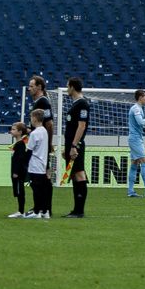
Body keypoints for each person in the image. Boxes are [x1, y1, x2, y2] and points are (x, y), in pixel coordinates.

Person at [61, 77, 91, 218]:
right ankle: (76, 209)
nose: (67, 88)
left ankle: (80, 211)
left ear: (72, 87)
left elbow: (82, 126)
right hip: (71, 145)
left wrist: (73, 145)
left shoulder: (82, 104)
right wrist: (66, 147)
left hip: (76, 145)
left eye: (68, 86)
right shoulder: (76, 104)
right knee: (74, 175)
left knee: (79, 174)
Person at [27, 110, 54, 219]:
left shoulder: (34, 133)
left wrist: (23, 163)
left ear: (34, 118)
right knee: (43, 189)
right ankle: (45, 210)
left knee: (36, 189)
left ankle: (36, 211)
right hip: (42, 164)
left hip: (35, 165)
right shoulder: (44, 131)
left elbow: (29, 150)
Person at [7, 123, 30, 218]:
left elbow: (20, 159)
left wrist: (16, 172)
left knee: (20, 191)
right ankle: (20, 210)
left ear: (20, 132)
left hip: (19, 172)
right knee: (18, 191)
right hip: (16, 171)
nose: (11, 131)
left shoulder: (20, 144)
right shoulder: (17, 144)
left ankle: (21, 211)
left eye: (14, 129)